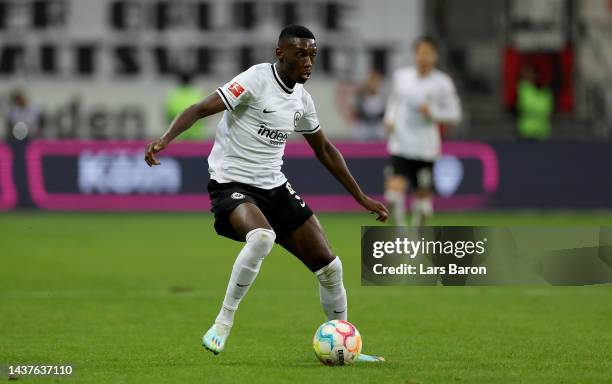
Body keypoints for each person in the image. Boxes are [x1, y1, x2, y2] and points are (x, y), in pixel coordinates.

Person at [144, 25, 389, 362]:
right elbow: (200, 108)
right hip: (232, 184)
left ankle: (344, 343)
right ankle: (222, 324)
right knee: (261, 238)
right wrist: (165, 139)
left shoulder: (302, 100)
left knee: (330, 266)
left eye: (313, 55)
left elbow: (325, 151)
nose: (308, 61)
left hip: (274, 185)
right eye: (301, 54)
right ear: (280, 53)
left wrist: (360, 196)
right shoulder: (256, 79)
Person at [383, 36, 461, 227]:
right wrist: (389, 118)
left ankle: (417, 236)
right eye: (420, 52)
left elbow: (455, 114)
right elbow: (394, 101)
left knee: (423, 202)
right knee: (393, 194)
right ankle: (400, 232)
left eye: (428, 53)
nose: (423, 57)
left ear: (435, 56)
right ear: (415, 54)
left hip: (426, 147)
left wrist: (433, 112)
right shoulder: (402, 77)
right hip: (401, 143)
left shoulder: (442, 83)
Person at [516, 65, 553, 140]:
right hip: (525, 132)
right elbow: (523, 106)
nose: (528, 77)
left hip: (543, 132)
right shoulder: (522, 89)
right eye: (525, 75)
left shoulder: (546, 91)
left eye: (530, 74)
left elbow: (548, 109)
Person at [165, 72, 206, 140]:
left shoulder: (173, 96)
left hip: (179, 136)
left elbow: (168, 117)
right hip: (196, 136)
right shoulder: (198, 94)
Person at [351, 68, 386, 141]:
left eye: (377, 81)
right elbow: (356, 112)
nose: (374, 84)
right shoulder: (361, 96)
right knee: (357, 130)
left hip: (377, 126)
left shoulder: (382, 97)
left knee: (382, 131)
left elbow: (384, 114)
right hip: (365, 126)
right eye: (372, 81)